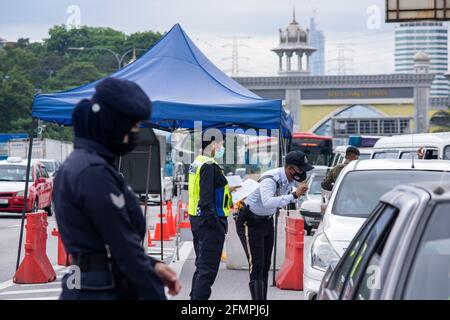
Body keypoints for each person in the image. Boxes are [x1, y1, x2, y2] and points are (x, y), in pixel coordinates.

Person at [53, 77, 181, 300]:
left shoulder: (82, 164)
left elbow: (105, 241)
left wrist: (153, 265)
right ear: (113, 125)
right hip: (101, 291)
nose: (135, 134)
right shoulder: (93, 172)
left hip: (88, 284)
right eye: (132, 127)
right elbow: (122, 244)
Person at [236, 150, 314, 300]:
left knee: (265, 265)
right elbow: (268, 201)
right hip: (251, 222)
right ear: (291, 169)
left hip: (266, 221)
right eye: (301, 169)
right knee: (257, 265)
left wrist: (295, 195)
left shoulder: (288, 180)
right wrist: (294, 195)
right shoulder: (270, 179)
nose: (303, 172)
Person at [188, 135, 236, 300]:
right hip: (209, 223)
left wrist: (229, 188)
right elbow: (206, 200)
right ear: (213, 144)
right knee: (208, 269)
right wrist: (216, 225)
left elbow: (206, 190)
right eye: (221, 144)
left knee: (201, 266)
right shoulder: (209, 166)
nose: (222, 148)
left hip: (197, 220)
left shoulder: (198, 162)